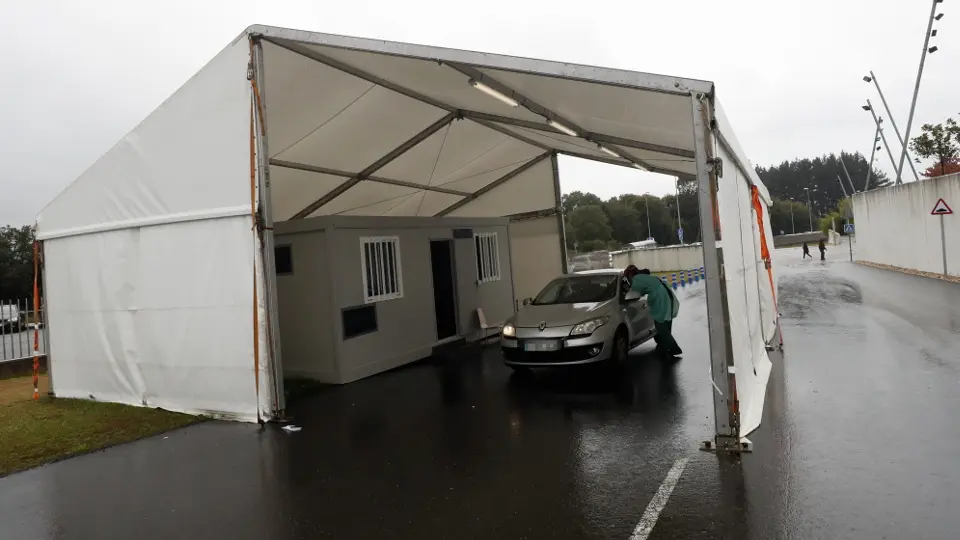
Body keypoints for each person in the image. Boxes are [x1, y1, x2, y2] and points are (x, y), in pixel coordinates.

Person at [624, 265, 682, 358]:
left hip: (660, 298)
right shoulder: (644, 277)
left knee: (661, 326)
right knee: (666, 323)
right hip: (666, 295)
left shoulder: (636, 279)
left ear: (630, 275)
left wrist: (626, 288)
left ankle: (674, 348)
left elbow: (633, 291)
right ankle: (664, 348)